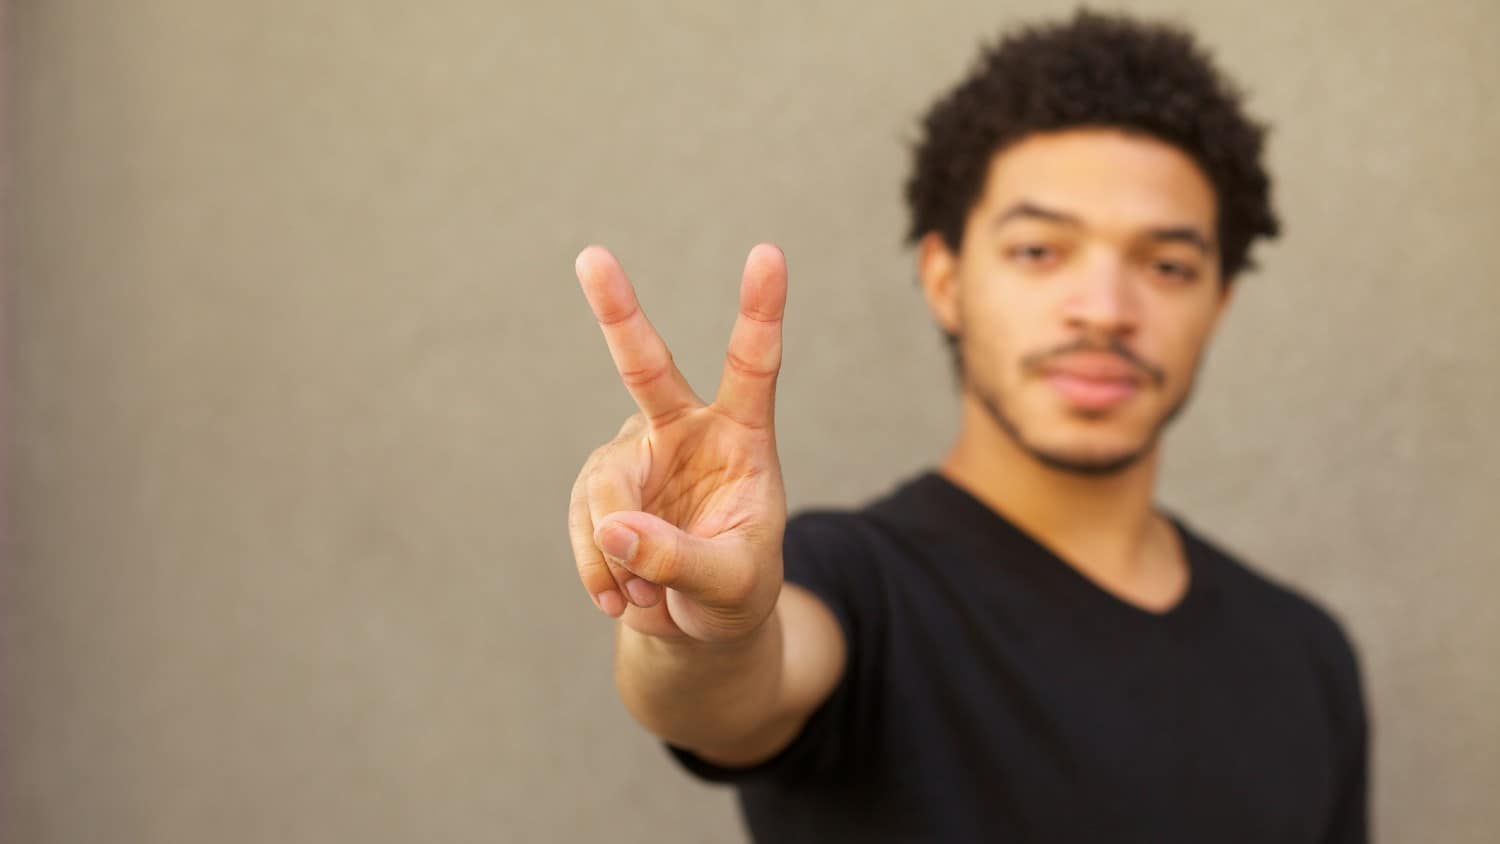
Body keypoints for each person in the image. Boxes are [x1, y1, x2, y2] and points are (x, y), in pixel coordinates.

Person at [566, 9, 1368, 843]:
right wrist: (698, 632)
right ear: (945, 279)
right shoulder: (852, 584)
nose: (1105, 310)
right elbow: (730, 693)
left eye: (1167, 266)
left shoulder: (1306, 659)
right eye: (1038, 251)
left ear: (1218, 303)